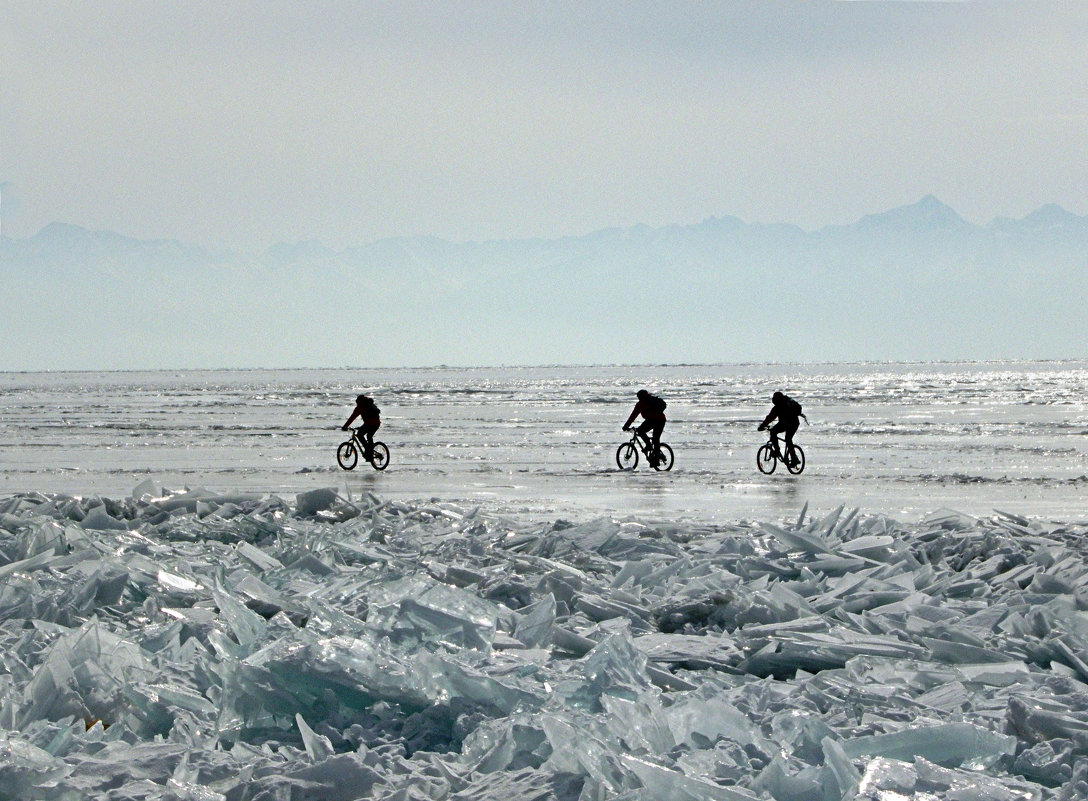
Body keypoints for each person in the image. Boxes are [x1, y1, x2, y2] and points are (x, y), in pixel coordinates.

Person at [758, 391, 805, 464]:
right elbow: (770, 417)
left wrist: (762, 426)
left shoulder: (778, 407)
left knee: (781, 435)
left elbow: (770, 418)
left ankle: (788, 455)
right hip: (791, 423)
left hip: (789, 424)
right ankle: (787, 455)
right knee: (781, 436)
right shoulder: (787, 402)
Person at [623, 389, 667, 465]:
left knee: (653, 437)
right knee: (648, 435)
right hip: (657, 420)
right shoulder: (650, 400)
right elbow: (633, 416)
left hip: (657, 420)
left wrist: (626, 426)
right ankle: (650, 447)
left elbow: (633, 416)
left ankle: (655, 457)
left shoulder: (641, 404)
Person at [343, 393, 381, 459]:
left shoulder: (360, 407)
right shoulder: (369, 404)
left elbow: (352, 418)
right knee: (365, 435)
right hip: (375, 423)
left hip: (371, 424)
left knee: (364, 435)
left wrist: (345, 426)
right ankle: (369, 451)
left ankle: (369, 452)